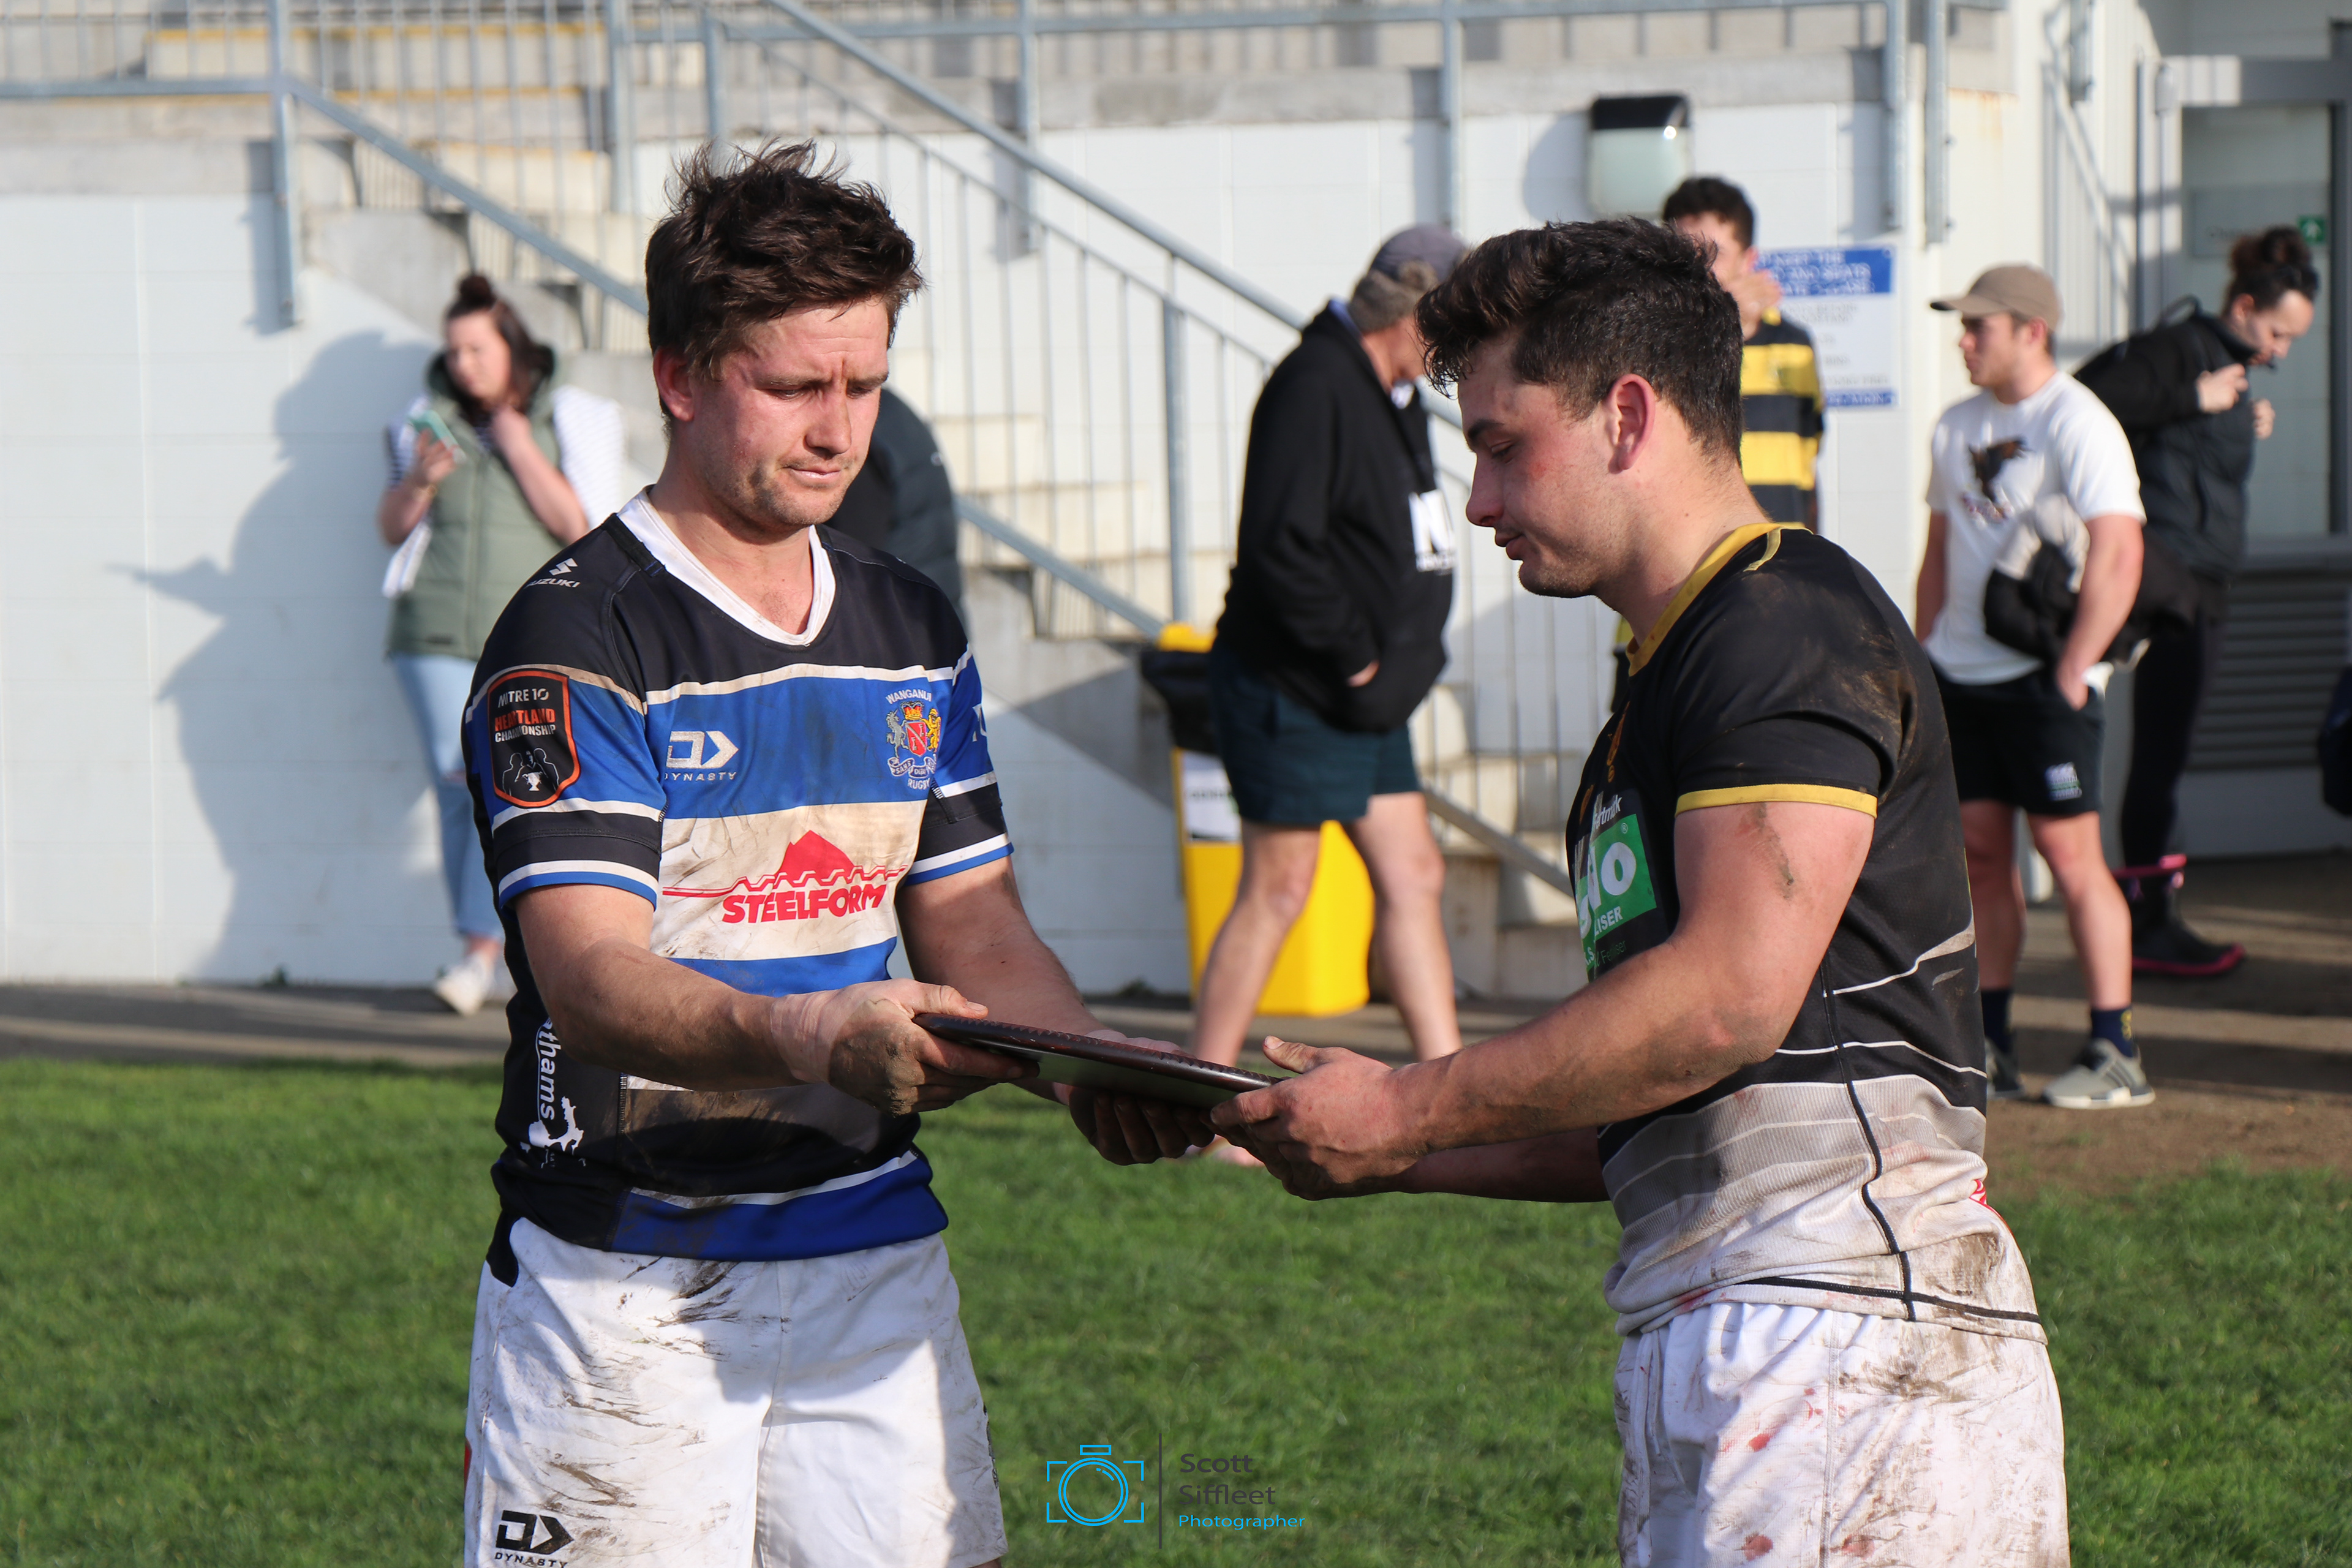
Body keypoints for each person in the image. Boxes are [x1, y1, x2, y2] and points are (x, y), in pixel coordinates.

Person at [1210, 218, 2065, 1565]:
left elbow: (1726, 1000)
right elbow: (1661, 1098)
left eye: (1503, 445)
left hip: (1844, 1340)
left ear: (1626, 415)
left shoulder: (1780, 622)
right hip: (1759, 1334)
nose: (1479, 501)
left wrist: (1410, 1105)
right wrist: (1380, 1148)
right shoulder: (1672, 677)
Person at [456, 141, 1190, 1568]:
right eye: (797, 385)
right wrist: (817, 1032)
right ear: (679, 375)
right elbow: (592, 978)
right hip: (625, 1271)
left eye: (865, 385)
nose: (839, 429)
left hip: (874, 1252)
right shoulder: (576, 635)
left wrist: (1096, 1069)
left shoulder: (911, 619)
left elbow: (978, 925)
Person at [1189, 227, 1468, 1163]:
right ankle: (1207, 1106)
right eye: (1458, 327)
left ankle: (1450, 1102)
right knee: (1280, 885)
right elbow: (1280, 549)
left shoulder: (1397, 396)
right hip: (1297, 681)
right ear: (1417, 313)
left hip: (1367, 699)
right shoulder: (1313, 385)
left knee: (1414, 873)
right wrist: (1357, 660)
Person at [1915, 265, 2152, 1110]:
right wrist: (1922, 658)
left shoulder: (2076, 421)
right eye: (1963, 325)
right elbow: (1940, 550)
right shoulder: (1957, 426)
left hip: (2044, 682)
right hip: (1962, 678)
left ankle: (2116, 1049)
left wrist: (2073, 667)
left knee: (2070, 855)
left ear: (2032, 332)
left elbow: (2120, 549)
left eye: (1979, 326)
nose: (1964, 340)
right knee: (1982, 855)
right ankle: (1995, 1045)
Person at [377, 274, 627, 1015]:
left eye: (477, 349)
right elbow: (390, 528)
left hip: (526, 638)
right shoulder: (424, 422)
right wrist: (420, 482)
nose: (463, 365)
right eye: (453, 351)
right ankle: (481, 953)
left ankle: (492, 953)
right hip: (432, 632)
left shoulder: (565, 417)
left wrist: (519, 446)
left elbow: (583, 528)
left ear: (511, 347)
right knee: (459, 782)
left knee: (505, 785)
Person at [2076, 226, 2320, 976]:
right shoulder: (2182, 349)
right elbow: (2088, 402)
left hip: (2205, 580)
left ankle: (2152, 913)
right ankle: (2146, 920)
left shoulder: (2233, 369)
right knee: (2156, 751)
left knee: (2169, 750)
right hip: (2166, 579)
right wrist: (2193, 397)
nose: (2282, 350)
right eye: (2277, 332)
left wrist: (2241, 419)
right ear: (2243, 306)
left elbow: (2192, 457)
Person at [1662, 175, 1825, 528]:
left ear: (1749, 259)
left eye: (1715, 253)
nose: (1699, 267)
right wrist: (1722, 325)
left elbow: (1807, 457)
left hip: (1783, 545)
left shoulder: (1795, 344)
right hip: (1701, 548)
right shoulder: (1656, 347)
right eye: (1685, 253)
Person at [827, 385, 966, 620]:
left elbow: (852, 561)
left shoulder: (857, 432)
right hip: (929, 613)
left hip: (897, 620)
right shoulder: (891, 411)